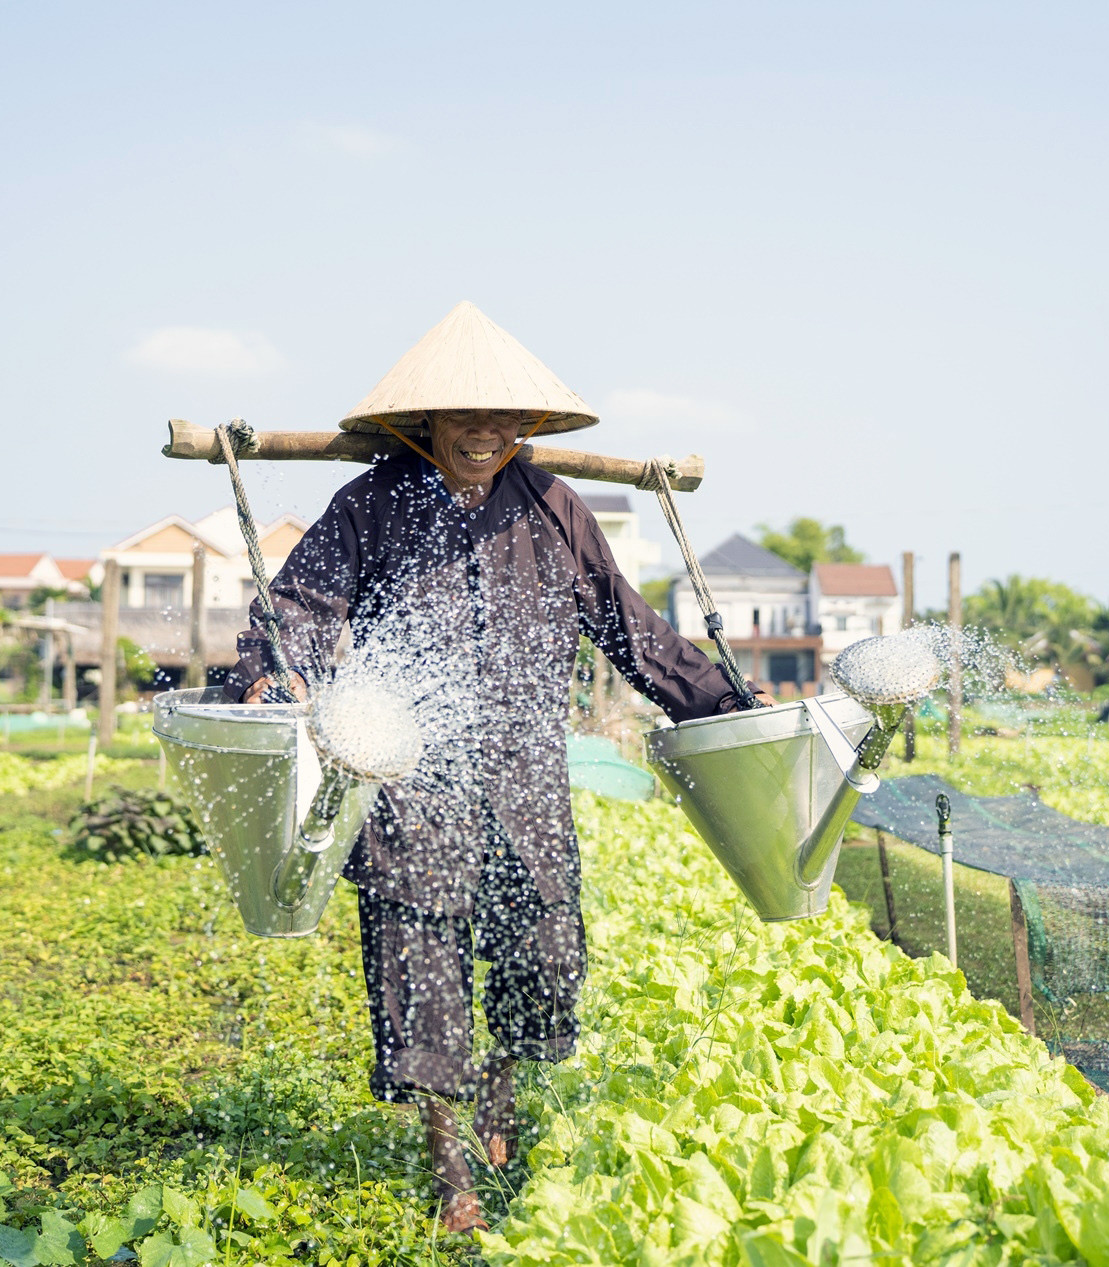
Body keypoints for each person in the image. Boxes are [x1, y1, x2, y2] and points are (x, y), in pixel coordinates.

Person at [232, 304, 763, 1233]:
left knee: (544, 949)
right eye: (463, 417)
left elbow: (632, 630)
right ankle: (449, 1169)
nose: (484, 433)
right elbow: (304, 605)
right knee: (420, 956)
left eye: (502, 419)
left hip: (526, 780)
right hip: (412, 779)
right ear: (425, 421)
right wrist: (270, 672)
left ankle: (502, 1097)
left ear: (527, 427)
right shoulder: (372, 502)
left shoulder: (558, 511)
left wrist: (724, 701)